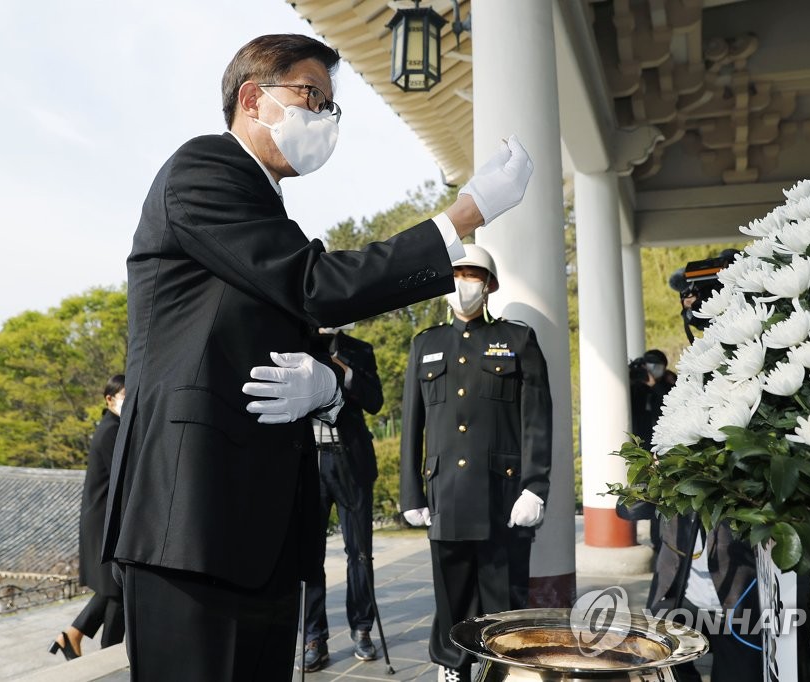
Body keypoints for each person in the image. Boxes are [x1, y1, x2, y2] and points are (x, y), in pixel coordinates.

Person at [100, 34, 533, 681]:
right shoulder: (204, 170)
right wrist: (461, 217)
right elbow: (317, 286)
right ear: (254, 97)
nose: (326, 118)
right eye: (313, 97)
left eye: (333, 107)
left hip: (258, 533)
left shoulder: (265, 209)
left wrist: (331, 385)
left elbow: (306, 328)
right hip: (191, 519)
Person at [399, 245, 552, 682]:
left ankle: (501, 670)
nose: (464, 283)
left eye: (473, 275)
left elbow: (537, 421)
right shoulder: (424, 344)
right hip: (444, 494)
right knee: (450, 593)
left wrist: (534, 486)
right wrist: (411, 492)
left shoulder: (518, 340)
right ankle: (453, 667)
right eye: (457, 275)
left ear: (489, 286)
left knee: (502, 595)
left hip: (501, 497)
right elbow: (413, 424)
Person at [302, 325, 383, 672]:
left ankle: (362, 629)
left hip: (351, 460)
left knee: (360, 553)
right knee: (308, 556)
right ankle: (313, 637)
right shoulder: (297, 345)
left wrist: (345, 370)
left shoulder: (359, 349)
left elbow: (375, 401)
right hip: (309, 463)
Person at [50, 375, 126, 660]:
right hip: (103, 520)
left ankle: (74, 637)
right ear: (109, 399)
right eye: (125, 396)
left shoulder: (114, 427)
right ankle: (108, 654)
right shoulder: (111, 431)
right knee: (116, 588)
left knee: (113, 588)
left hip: (105, 517)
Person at [647, 514, 763, 682]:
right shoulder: (671, 498)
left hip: (737, 607)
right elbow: (628, 510)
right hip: (686, 601)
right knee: (656, 647)